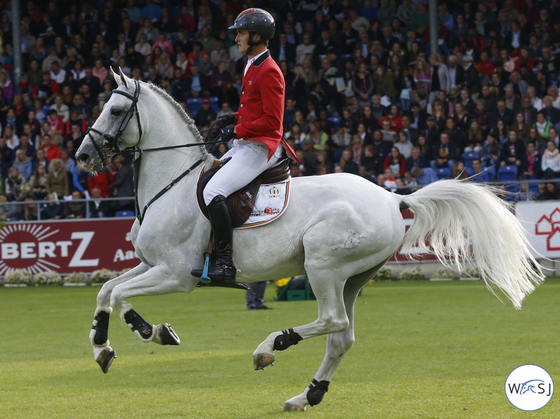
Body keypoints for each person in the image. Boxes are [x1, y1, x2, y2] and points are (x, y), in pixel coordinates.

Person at [191, 8, 297, 283]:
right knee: (204, 180)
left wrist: (237, 128)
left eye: (240, 32)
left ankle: (225, 263)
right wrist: (232, 118)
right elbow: (253, 109)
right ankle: (208, 256)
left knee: (214, 190)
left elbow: (273, 122)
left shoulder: (270, 70)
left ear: (257, 36)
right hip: (246, 143)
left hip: (261, 147)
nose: (236, 38)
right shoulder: (252, 63)